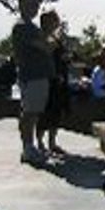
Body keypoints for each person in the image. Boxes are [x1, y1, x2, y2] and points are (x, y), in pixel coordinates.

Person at [11, 0, 54, 164]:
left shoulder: (28, 27)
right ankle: (28, 148)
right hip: (33, 75)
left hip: (34, 75)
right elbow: (45, 46)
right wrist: (51, 40)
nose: (36, 9)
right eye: (33, 6)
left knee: (31, 112)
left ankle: (29, 147)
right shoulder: (24, 27)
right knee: (30, 113)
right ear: (23, 7)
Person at [36, 10, 70, 154]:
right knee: (45, 112)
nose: (57, 23)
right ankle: (39, 142)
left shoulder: (56, 38)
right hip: (47, 79)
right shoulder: (41, 37)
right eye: (54, 20)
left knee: (56, 112)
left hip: (60, 79)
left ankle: (52, 142)